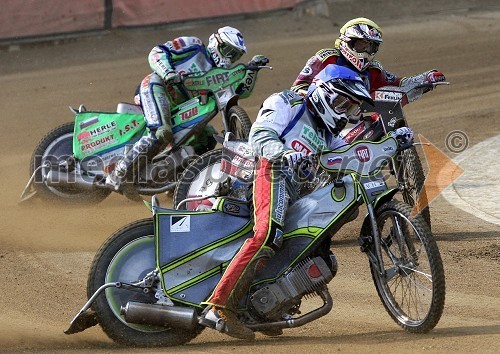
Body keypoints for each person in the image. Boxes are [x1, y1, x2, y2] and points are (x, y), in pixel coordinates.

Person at [200, 64, 414, 340]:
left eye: (351, 109)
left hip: (297, 190)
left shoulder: (328, 135)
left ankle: (265, 306)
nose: (344, 113)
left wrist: (392, 142)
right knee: (267, 235)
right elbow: (260, 135)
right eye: (342, 103)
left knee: (315, 248)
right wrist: (282, 152)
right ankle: (218, 305)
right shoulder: (288, 102)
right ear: (323, 93)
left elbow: (351, 157)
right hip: (269, 171)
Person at [106, 26, 269, 190]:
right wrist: (167, 72)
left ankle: (180, 185)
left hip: (181, 106)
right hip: (158, 86)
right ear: (215, 42)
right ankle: (118, 174)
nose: (229, 58)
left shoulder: (222, 73)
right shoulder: (194, 45)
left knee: (208, 136)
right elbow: (157, 52)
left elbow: (241, 92)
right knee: (161, 133)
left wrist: (252, 70)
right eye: (227, 50)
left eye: (235, 55)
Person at [291, 17, 446, 96]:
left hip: (355, 126)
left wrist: (424, 79)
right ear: (348, 41)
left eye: (370, 46)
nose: (365, 50)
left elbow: (398, 84)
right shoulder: (327, 58)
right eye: (362, 44)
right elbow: (298, 87)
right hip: (317, 125)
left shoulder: (372, 69)